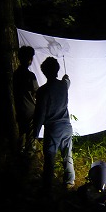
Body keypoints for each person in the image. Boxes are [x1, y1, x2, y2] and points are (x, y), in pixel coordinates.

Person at [33, 57, 75, 193]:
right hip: (66, 127)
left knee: (49, 158)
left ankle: (47, 187)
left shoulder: (42, 91)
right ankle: (69, 182)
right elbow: (67, 81)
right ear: (57, 71)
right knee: (67, 155)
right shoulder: (63, 85)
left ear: (44, 73)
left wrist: (35, 133)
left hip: (52, 129)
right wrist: (66, 78)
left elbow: (40, 114)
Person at [13, 46, 39, 156]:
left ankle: (19, 157)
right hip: (30, 111)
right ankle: (28, 161)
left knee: (21, 136)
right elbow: (36, 92)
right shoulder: (30, 76)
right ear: (29, 59)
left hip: (19, 109)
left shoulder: (15, 75)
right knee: (30, 138)